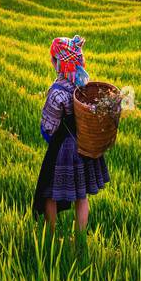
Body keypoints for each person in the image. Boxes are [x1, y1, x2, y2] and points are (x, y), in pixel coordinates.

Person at [31, 35, 109, 232]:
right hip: (84, 143)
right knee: (81, 195)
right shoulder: (84, 87)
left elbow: (49, 126)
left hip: (63, 148)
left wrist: (49, 137)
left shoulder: (57, 91)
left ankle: (51, 233)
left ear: (58, 63)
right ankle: (80, 237)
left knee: (50, 191)